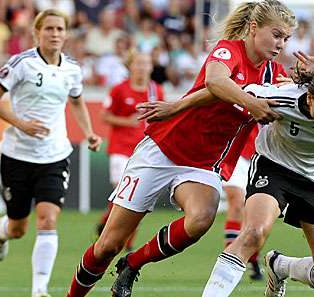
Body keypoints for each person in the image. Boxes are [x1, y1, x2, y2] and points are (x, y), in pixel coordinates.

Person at [65, 1, 296, 297]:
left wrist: (313, 76)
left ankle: (133, 264)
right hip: (163, 150)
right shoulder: (229, 50)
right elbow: (214, 82)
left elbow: (295, 92)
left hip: (204, 164)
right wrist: (250, 103)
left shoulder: (273, 75)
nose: (281, 44)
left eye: (286, 39)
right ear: (253, 28)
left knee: (201, 218)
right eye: (276, 35)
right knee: (107, 245)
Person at [201, 52, 314, 297]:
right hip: (274, 168)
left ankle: (279, 266)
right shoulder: (279, 98)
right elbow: (223, 89)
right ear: (310, 98)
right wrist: (176, 106)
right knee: (254, 233)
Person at [0, 9, 102, 297]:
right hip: (17, 154)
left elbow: (77, 101)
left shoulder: (73, 69)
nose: (55, 34)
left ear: (66, 34)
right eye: (49, 29)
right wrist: (21, 124)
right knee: (18, 227)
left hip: (55, 155)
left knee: (48, 219)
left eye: (59, 29)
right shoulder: (21, 64)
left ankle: (39, 290)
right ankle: (0, 234)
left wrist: (89, 132)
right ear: (36, 33)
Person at [95, 51, 165, 251]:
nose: (143, 67)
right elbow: (104, 115)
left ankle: (126, 241)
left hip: (143, 151)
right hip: (120, 147)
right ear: (130, 66)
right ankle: (109, 224)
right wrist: (125, 121)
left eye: (146, 63)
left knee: (136, 196)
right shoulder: (119, 90)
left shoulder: (156, 90)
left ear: (151, 67)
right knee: (122, 191)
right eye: (139, 63)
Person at [222, 126, 264, 281]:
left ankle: (252, 259)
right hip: (235, 151)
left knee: (254, 211)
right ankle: (228, 263)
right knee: (237, 202)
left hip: (261, 154)